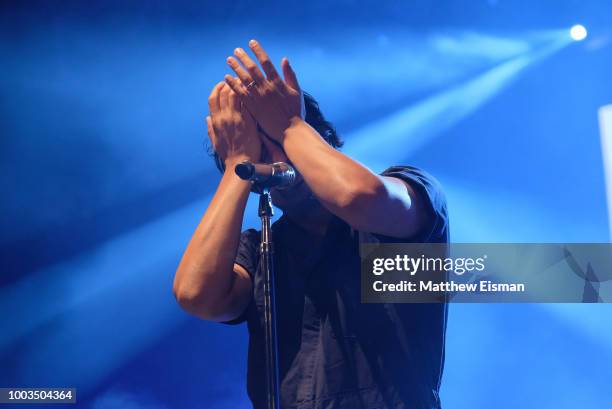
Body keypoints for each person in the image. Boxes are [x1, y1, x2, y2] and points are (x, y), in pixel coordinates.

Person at [173, 39, 449, 409]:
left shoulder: (407, 189)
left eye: (276, 141)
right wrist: (237, 162)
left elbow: (356, 197)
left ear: (319, 137)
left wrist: (289, 125)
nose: (272, 158)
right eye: (260, 150)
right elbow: (196, 295)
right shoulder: (260, 249)